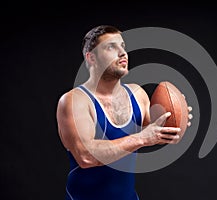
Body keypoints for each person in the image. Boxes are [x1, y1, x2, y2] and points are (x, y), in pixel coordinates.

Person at [56, 25, 192, 200]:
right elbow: (86, 157)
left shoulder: (137, 94)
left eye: (123, 46)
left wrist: (175, 123)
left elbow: (156, 133)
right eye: (111, 47)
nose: (123, 53)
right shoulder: (75, 101)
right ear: (91, 58)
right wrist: (142, 138)